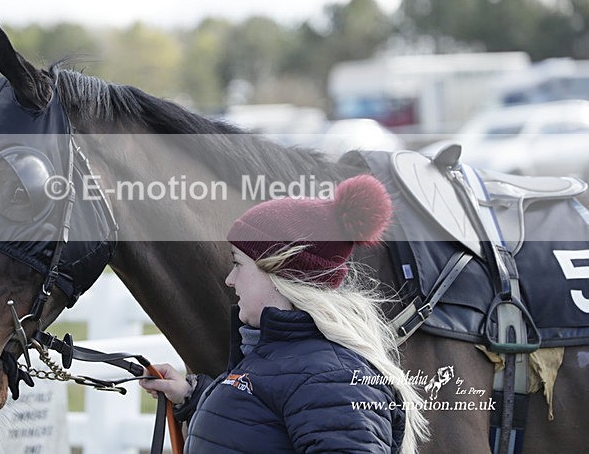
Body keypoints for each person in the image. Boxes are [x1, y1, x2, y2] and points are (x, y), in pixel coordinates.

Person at [140, 175, 428, 453]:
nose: (230, 279)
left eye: (238, 264)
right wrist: (193, 395)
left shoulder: (331, 381)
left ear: (278, 271)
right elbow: (265, 422)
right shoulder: (286, 360)